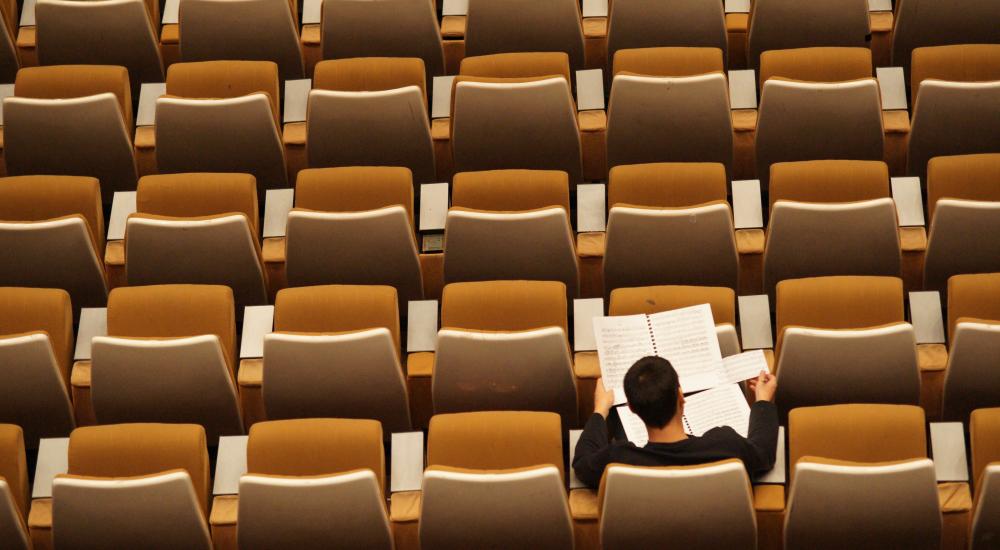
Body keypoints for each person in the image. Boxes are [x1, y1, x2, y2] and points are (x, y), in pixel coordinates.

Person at [573, 355, 779, 489]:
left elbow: (582, 463)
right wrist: (762, 400)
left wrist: (600, 409)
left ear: (632, 408)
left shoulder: (619, 461)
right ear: (681, 397)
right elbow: (764, 453)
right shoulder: (726, 446)